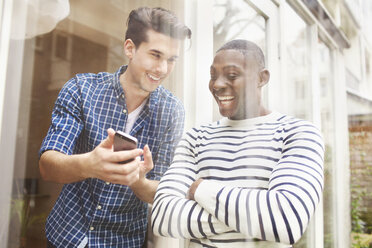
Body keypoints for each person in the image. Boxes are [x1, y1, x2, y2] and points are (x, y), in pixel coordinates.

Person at [39, 7, 191, 248]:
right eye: (155, 54)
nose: (162, 69)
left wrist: (138, 181)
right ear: (130, 48)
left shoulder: (172, 111)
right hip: (65, 236)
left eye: (171, 60)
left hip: (123, 241)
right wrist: (89, 164)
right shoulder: (81, 89)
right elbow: (48, 165)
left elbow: (163, 189)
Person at [151, 39, 324, 247]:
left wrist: (202, 190)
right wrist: (258, 218)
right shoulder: (195, 138)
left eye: (232, 75)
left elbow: (287, 220)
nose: (217, 85)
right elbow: (163, 217)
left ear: (262, 78)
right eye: (213, 76)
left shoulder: (298, 133)